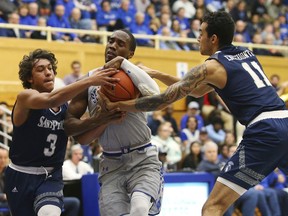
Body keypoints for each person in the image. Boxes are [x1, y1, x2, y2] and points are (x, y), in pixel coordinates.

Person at [100, 11, 288, 215]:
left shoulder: (211, 67)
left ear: (213, 39)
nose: (198, 38)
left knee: (212, 207)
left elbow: (162, 101)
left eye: (201, 33)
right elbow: (197, 91)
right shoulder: (247, 53)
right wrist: (155, 73)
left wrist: (119, 106)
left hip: (265, 130)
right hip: (284, 121)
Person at [4, 48, 122, 216]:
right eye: (40, 69)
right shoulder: (25, 97)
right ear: (30, 78)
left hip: (51, 177)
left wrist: (105, 119)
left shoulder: (64, 108)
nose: (48, 73)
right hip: (21, 175)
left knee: (49, 213)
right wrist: (89, 80)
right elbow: (51, 99)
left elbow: (82, 138)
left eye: (50, 68)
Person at [64, 29, 164, 216]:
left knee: (140, 209)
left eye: (120, 44)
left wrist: (123, 63)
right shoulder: (87, 81)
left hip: (142, 158)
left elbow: (157, 97)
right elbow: (72, 129)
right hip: (111, 163)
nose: (112, 46)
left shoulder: (136, 76)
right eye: (111, 41)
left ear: (130, 53)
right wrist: (101, 119)